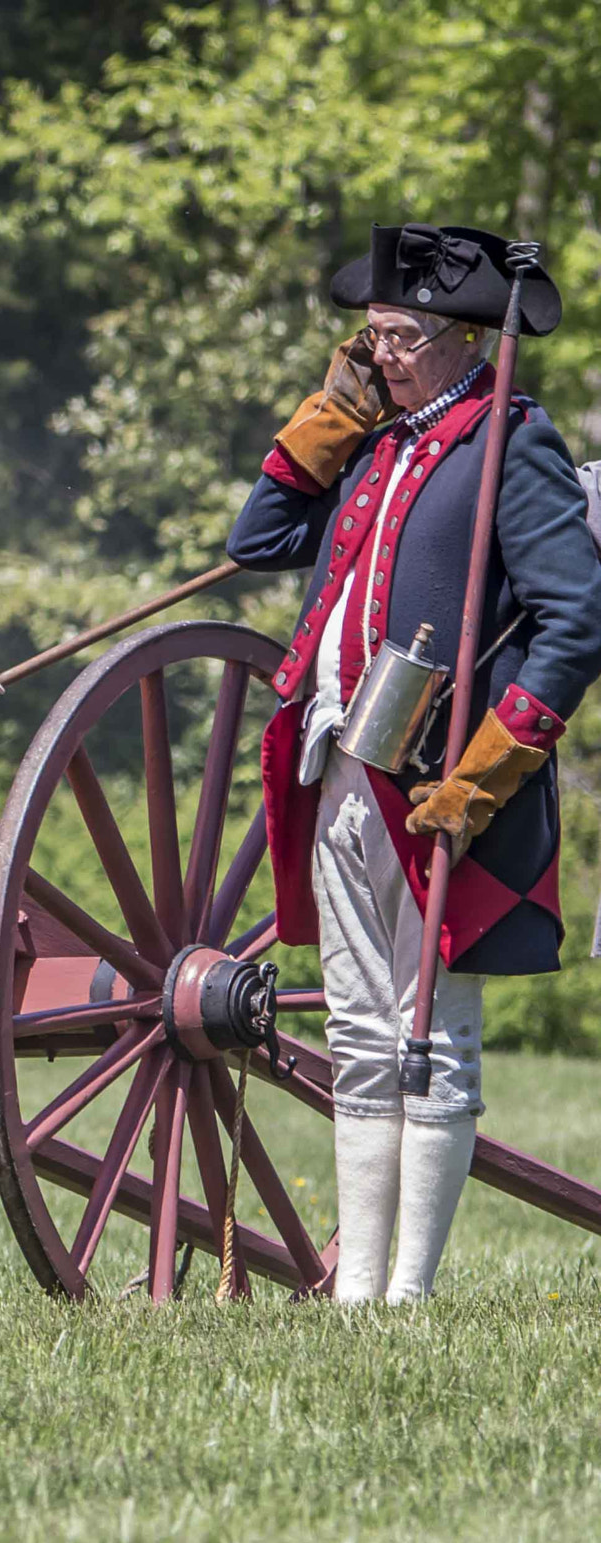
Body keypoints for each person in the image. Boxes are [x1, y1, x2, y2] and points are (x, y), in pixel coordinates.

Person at [228, 224, 601, 1303]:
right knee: (355, 1026)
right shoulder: (374, 444)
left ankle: (406, 1293)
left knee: (430, 1031)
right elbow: (259, 537)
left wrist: (494, 763)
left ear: (455, 340)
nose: (378, 354)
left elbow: (574, 619)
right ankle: (356, 1298)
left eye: (396, 337)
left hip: (447, 780)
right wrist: (332, 411)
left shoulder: (509, 442)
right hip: (337, 756)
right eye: (370, 337)